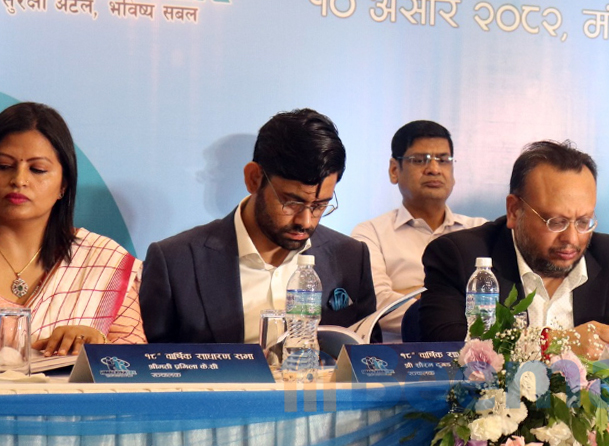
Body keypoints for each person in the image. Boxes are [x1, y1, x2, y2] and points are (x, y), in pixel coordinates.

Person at [140, 108, 377, 344]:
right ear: (254, 178)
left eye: (319, 205)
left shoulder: (350, 258)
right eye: (291, 203)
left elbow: (371, 359)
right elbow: (148, 362)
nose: (305, 222)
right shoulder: (176, 262)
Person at [419, 140, 609, 347]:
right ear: (514, 211)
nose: (572, 239)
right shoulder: (460, 256)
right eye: (556, 222)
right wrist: (560, 344)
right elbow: (446, 348)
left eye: (584, 222)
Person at [0, 102, 145, 356]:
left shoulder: (102, 261)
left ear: (63, 185)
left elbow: (136, 362)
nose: (19, 180)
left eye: (37, 169)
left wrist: (97, 345)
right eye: (3, 166)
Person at [351, 121, 485, 342]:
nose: (434, 169)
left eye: (443, 160)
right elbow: (377, 304)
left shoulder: (478, 230)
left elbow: (497, 302)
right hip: (395, 358)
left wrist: (414, 296)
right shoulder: (370, 233)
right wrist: (451, 305)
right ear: (394, 170)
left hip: (470, 357)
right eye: (419, 160)